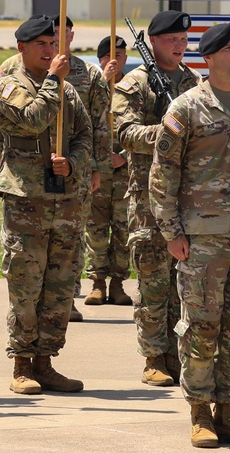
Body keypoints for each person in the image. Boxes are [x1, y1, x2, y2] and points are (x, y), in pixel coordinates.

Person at [151, 21, 230, 448]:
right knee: (202, 326)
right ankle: (199, 413)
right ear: (210, 57)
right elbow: (163, 174)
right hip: (201, 239)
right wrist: (171, 232)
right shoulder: (187, 108)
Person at [0, 14, 92, 395]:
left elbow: (84, 135)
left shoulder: (64, 87)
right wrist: (54, 81)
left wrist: (74, 163)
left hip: (64, 201)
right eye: (42, 46)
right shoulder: (9, 84)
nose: (51, 51)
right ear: (22, 48)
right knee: (26, 284)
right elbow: (33, 118)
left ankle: (46, 361)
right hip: (26, 199)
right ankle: (21, 364)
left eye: (53, 44)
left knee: (60, 285)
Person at [111, 10, 200, 387]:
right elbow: (124, 133)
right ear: (153, 42)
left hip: (188, 198)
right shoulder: (135, 83)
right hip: (149, 197)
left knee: (184, 281)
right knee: (153, 280)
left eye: (183, 40)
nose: (179, 46)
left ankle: (177, 354)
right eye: (171, 40)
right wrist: (165, 134)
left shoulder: (194, 82)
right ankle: (153, 357)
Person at [83, 34, 132, 308]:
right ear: (102, 58)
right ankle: (98, 283)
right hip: (98, 169)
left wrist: (123, 157)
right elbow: (83, 121)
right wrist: (103, 79)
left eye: (122, 54)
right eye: (112, 54)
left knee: (124, 228)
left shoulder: (133, 86)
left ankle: (118, 284)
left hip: (124, 170)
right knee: (97, 228)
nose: (117, 59)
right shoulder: (94, 84)